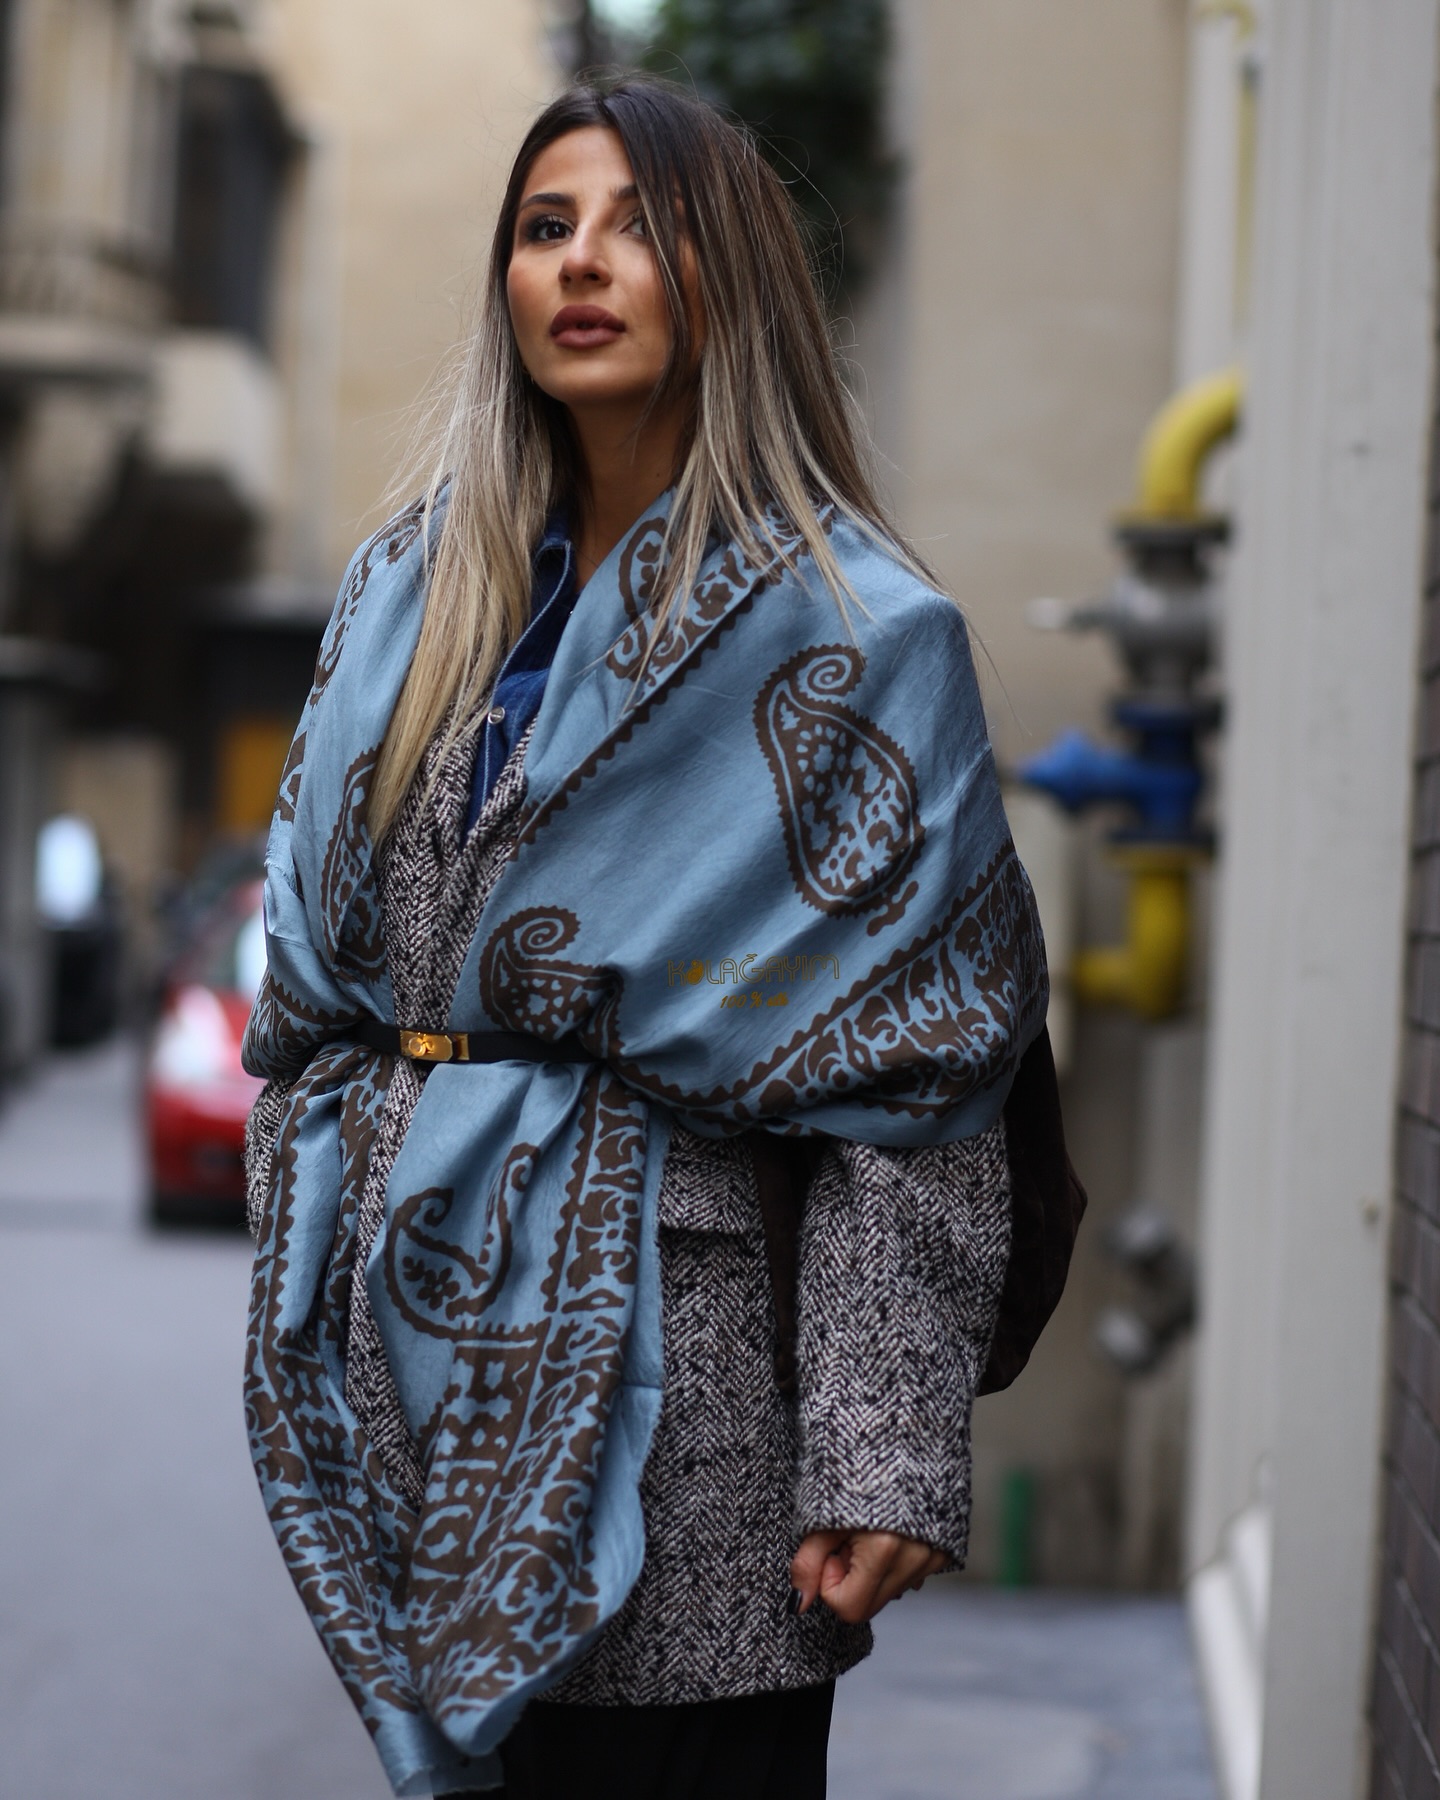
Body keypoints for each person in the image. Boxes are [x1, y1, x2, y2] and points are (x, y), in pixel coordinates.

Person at [242, 75, 1077, 1800]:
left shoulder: (858, 635)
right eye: (547, 228)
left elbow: (918, 1100)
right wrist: (299, 1244)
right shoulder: (413, 600)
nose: (583, 263)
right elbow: (310, 1010)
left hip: (692, 1405)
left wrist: (883, 1447)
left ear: (735, 279)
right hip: (408, 1369)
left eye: (640, 224)